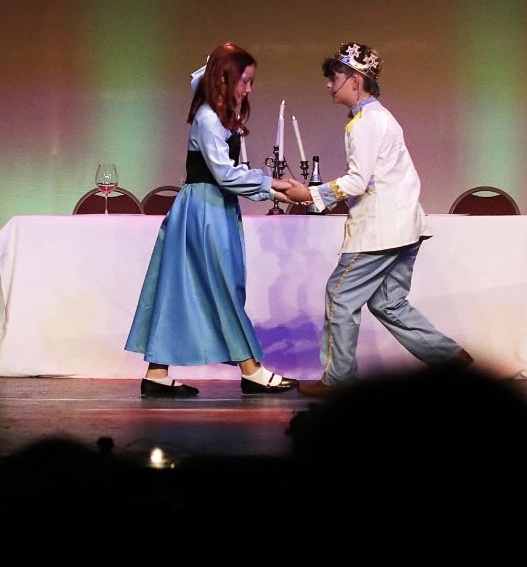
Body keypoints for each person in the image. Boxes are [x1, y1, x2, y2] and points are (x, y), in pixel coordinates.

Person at [282, 41, 471, 397]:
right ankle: (451, 359)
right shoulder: (380, 118)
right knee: (388, 303)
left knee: (339, 295)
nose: (328, 84)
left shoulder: (366, 122)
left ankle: (338, 380)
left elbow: (358, 180)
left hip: (380, 229)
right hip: (404, 226)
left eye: (334, 77)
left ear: (355, 80)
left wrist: (310, 194)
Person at [125, 42, 299, 397]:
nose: (248, 89)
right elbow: (224, 173)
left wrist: (270, 189)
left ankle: (156, 372)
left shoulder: (215, 118)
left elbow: (228, 175)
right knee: (221, 286)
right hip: (204, 210)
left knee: (183, 286)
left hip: (211, 206)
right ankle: (251, 369)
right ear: (225, 79)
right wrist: (271, 185)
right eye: (245, 81)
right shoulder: (208, 118)